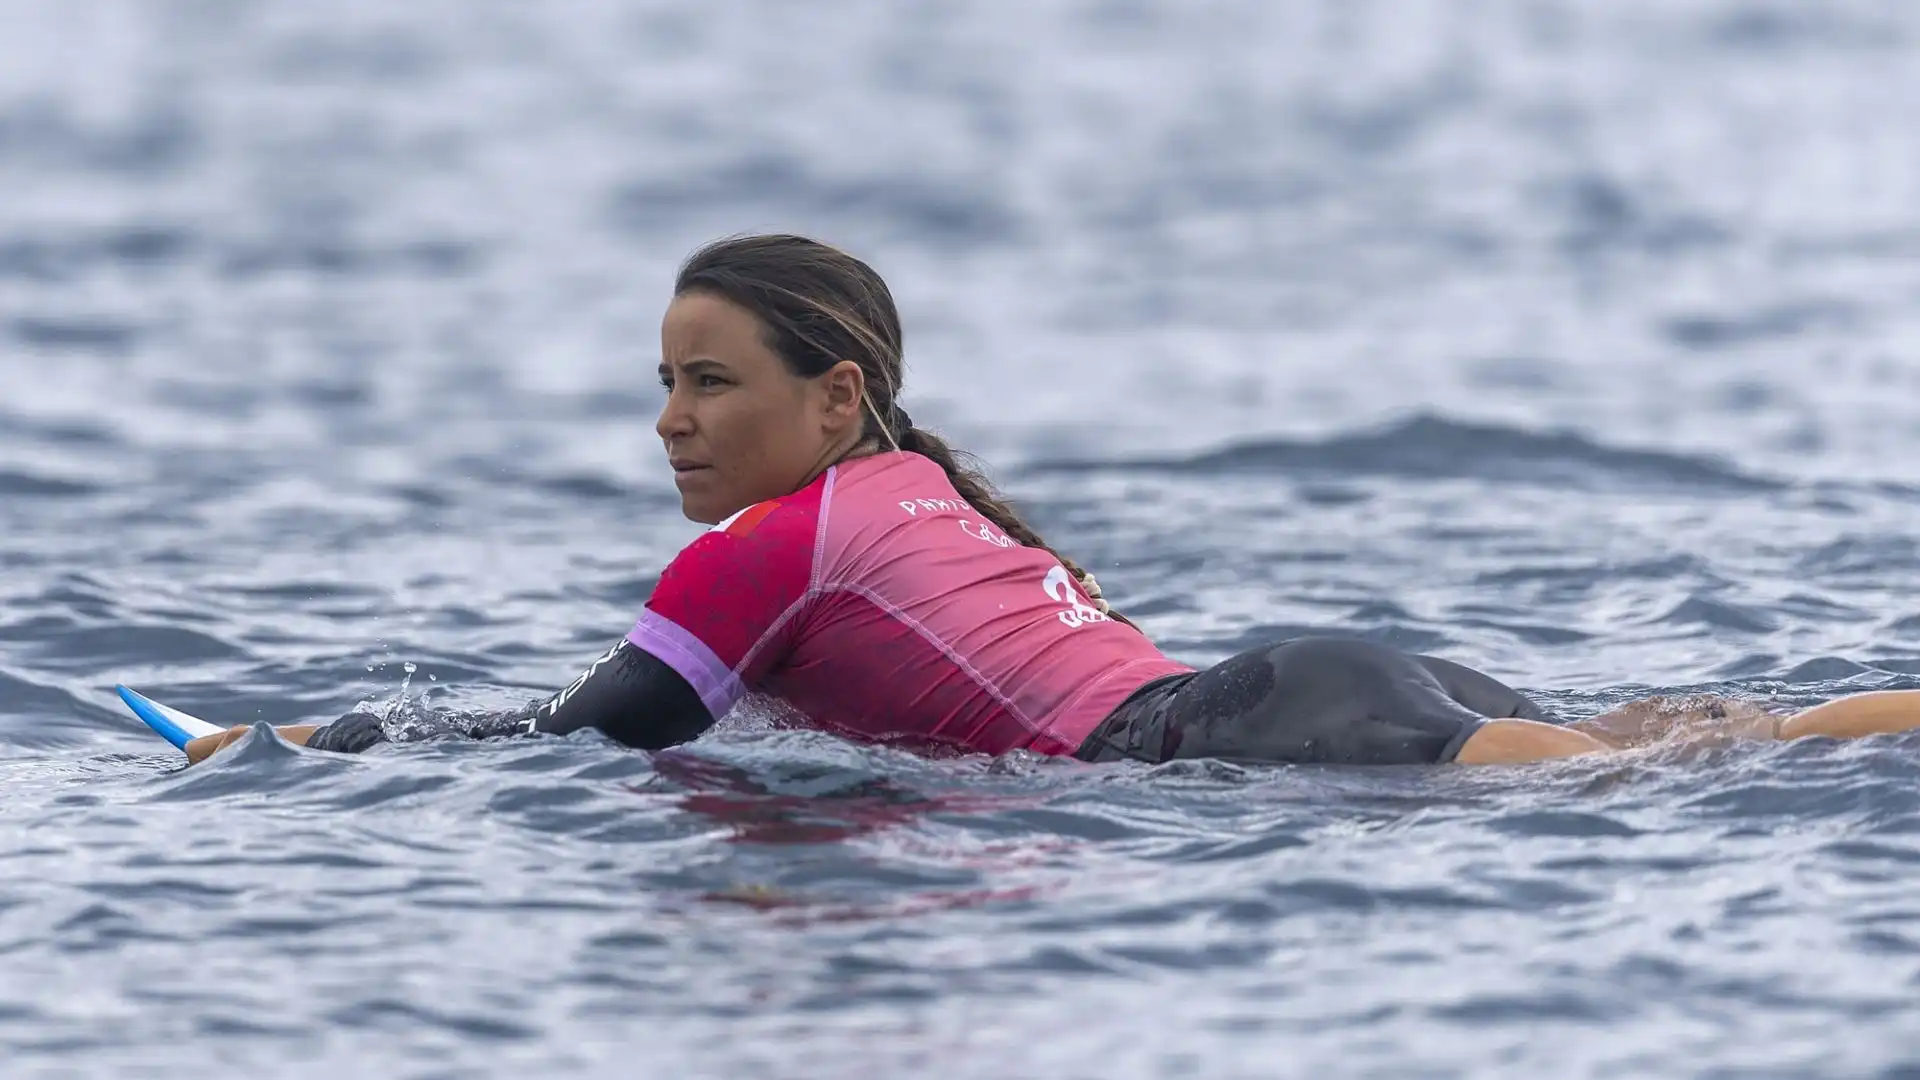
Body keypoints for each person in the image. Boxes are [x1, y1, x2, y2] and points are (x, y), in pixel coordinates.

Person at [183, 234, 1920, 769]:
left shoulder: (765, 552)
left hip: (1237, 735)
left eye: (710, 383)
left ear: (836, 394)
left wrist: (305, 743)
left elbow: (589, 733)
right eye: (661, 381)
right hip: (1300, 684)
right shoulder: (923, 491)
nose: (671, 424)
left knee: (1671, 772)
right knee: (1728, 740)